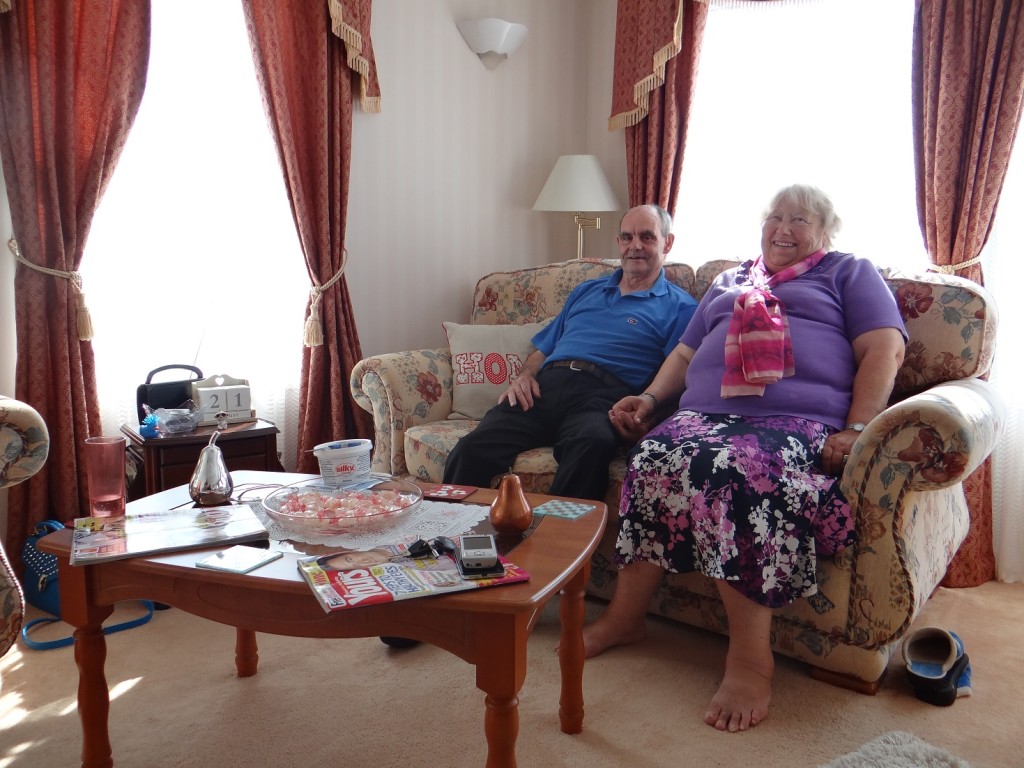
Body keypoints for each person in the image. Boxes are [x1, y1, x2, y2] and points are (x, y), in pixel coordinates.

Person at [590, 184, 908, 733]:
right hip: (705, 414)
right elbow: (685, 353)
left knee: (738, 471)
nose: (783, 228)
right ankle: (625, 618)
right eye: (775, 217)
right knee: (653, 458)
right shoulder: (731, 279)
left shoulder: (847, 272)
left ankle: (748, 659)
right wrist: (648, 398)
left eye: (800, 220)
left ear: (825, 233)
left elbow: (885, 347)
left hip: (793, 420)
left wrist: (858, 427)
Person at [442, 204, 699, 501]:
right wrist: (524, 376)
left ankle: (554, 544)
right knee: (470, 449)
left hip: (602, 397)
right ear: (618, 243)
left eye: (647, 237)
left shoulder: (681, 306)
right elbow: (542, 350)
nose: (635, 246)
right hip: (544, 390)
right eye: (627, 237)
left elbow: (678, 375)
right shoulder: (586, 291)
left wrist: (648, 417)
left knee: (593, 444)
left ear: (668, 243)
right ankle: (455, 539)